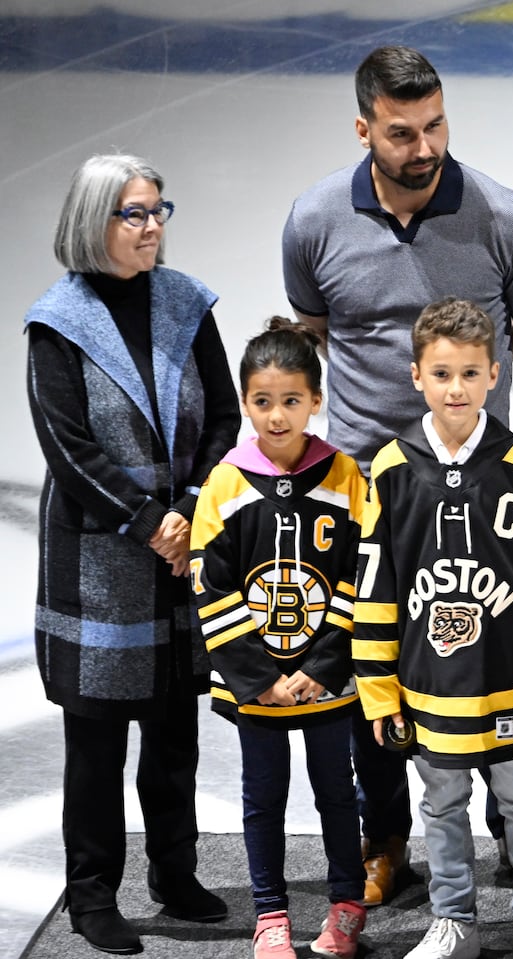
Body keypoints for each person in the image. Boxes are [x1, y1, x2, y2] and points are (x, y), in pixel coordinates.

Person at [281, 43, 513, 906]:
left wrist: (458, 394)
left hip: (484, 482)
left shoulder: (505, 214)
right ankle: (387, 842)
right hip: (372, 483)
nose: (425, 146)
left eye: (436, 124)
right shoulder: (314, 219)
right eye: (403, 132)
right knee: (382, 659)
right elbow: (315, 325)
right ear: (364, 127)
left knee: (494, 651)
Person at [25, 154, 240, 954]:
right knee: (97, 740)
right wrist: (151, 519)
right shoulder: (57, 321)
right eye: (135, 214)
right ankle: (90, 895)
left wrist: (187, 512)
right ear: (95, 222)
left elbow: (224, 416)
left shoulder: (187, 303)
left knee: (173, 731)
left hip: (179, 549)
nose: (153, 227)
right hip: (101, 563)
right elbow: (68, 449)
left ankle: (174, 874)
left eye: (158, 211)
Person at [353, 297, 513, 959]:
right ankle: (452, 921)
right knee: (442, 804)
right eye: (443, 372)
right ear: (416, 375)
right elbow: (376, 586)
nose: (457, 387)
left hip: (508, 683)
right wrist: (378, 685)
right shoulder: (392, 471)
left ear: (495, 375)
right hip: (428, 685)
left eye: (470, 373)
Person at [189, 319, 370, 959]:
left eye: (291, 400)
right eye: (262, 402)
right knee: (262, 798)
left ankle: (347, 906)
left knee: (336, 794)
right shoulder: (225, 483)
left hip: (325, 679)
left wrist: (322, 664)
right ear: (244, 403)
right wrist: (259, 678)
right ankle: (270, 915)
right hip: (256, 686)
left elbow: (361, 574)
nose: (276, 415)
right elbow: (211, 588)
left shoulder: (346, 477)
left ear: (316, 400)